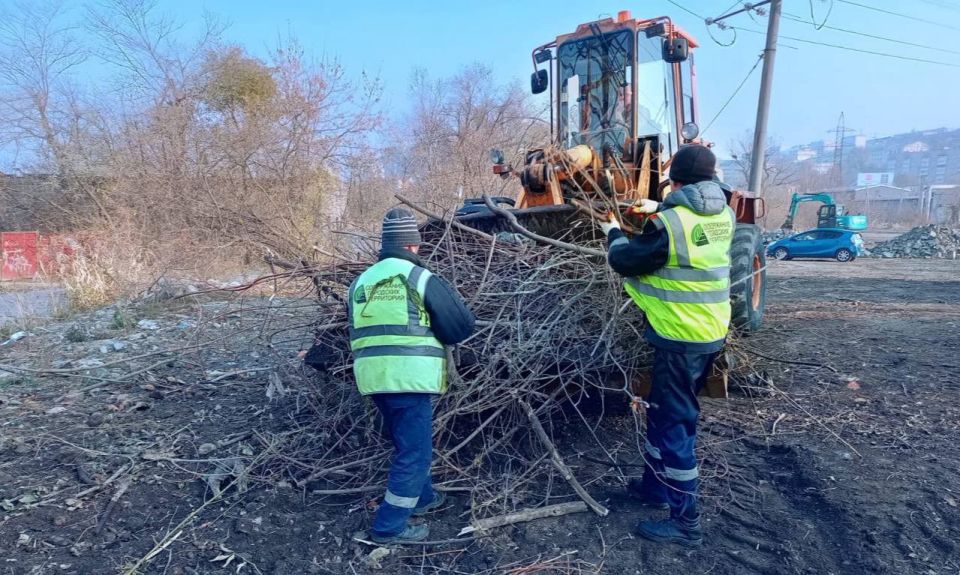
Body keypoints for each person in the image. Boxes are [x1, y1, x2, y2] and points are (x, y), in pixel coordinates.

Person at [598, 145, 735, 547]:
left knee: (674, 427)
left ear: (674, 181)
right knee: (662, 413)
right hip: (710, 332)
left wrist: (612, 232)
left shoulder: (669, 223)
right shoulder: (723, 214)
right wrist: (656, 205)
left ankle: (685, 521)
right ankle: (655, 488)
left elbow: (626, 261)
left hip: (679, 337)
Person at [348, 208, 476, 544]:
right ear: (413, 246)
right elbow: (460, 325)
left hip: (373, 379)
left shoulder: (361, 282)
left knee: (407, 445)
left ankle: (424, 499)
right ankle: (389, 527)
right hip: (410, 378)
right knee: (414, 454)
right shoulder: (418, 277)